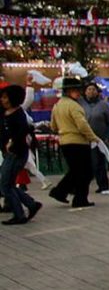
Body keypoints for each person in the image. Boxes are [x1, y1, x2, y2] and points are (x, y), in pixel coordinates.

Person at [48, 76, 101, 209]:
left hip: (64, 141)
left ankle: (61, 192)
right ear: (68, 91)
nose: (79, 93)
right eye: (76, 90)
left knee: (75, 171)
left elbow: (53, 126)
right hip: (78, 142)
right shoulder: (74, 106)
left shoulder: (57, 105)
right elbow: (82, 125)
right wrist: (93, 137)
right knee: (85, 172)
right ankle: (79, 198)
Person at [1, 84, 43, 225]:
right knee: (8, 184)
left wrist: (11, 142)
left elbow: (22, 131)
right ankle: (31, 204)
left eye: (5, 97)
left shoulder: (18, 114)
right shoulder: (4, 112)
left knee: (6, 185)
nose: (3, 100)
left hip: (16, 153)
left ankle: (19, 214)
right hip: (9, 152)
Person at [81, 81, 109, 195]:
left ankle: (103, 185)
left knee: (98, 163)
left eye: (93, 89)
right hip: (84, 138)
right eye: (89, 89)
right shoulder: (81, 104)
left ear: (97, 92)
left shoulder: (103, 105)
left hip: (99, 138)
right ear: (85, 92)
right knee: (85, 163)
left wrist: (107, 136)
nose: (91, 92)